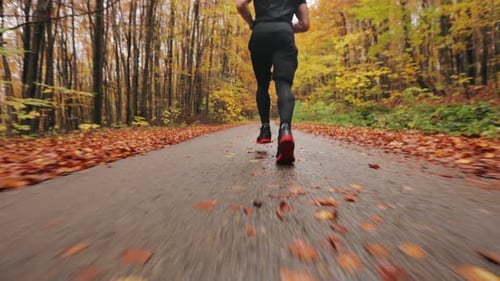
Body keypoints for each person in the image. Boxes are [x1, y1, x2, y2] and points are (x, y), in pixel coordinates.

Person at [236, 0, 310, 165]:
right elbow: (305, 24)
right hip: (284, 33)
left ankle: (265, 129)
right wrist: (287, 27)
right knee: (283, 84)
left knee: (262, 84)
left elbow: (240, 5)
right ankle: (285, 130)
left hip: (260, 33)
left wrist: (252, 23)